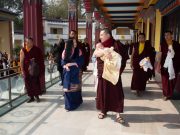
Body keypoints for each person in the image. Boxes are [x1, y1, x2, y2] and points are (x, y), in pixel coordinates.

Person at [94, 28, 127, 124]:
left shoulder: (117, 44)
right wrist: (104, 52)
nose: (100, 37)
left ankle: (118, 114)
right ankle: (103, 110)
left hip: (114, 73)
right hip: (103, 73)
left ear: (108, 35)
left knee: (116, 93)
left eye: (101, 35)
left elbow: (123, 59)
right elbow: (95, 54)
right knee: (103, 92)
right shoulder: (100, 44)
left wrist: (118, 70)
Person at [20, 37, 45, 103]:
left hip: (34, 69)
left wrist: (37, 64)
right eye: (27, 42)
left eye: (30, 42)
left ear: (32, 42)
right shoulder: (23, 50)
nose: (28, 43)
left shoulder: (37, 49)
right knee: (27, 83)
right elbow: (21, 61)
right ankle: (31, 97)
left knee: (35, 82)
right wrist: (22, 70)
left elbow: (41, 59)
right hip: (26, 69)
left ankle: (36, 96)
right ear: (25, 42)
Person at [157, 31, 180, 100]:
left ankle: (170, 94)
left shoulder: (176, 44)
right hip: (165, 65)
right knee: (165, 80)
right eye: (165, 35)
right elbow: (160, 55)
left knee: (172, 80)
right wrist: (158, 65)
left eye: (168, 35)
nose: (166, 37)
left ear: (171, 36)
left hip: (174, 65)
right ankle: (166, 94)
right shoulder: (162, 44)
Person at [61, 38, 84, 111]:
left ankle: (77, 102)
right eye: (73, 42)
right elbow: (62, 62)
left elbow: (81, 61)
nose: (75, 44)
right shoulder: (65, 51)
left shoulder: (79, 51)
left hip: (76, 72)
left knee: (76, 88)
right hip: (67, 72)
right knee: (68, 89)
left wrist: (72, 63)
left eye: (75, 42)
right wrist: (65, 66)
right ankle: (69, 106)